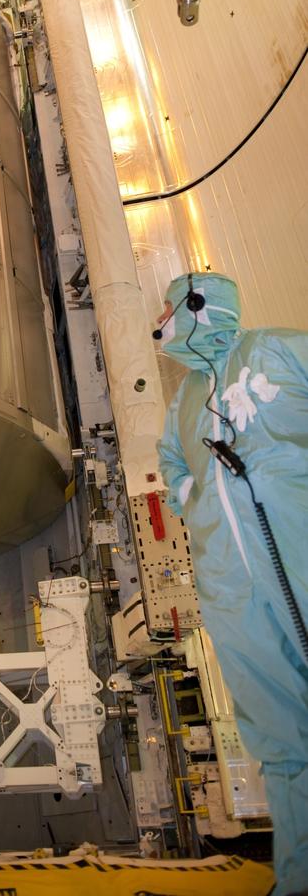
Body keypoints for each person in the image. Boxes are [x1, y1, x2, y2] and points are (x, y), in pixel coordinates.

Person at [156, 271, 308, 895]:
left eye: (167, 309)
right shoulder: (185, 401)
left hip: (297, 550)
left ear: (198, 305)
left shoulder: (277, 347)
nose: (161, 322)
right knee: (281, 737)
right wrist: (190, 491)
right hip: (233, 589)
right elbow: (170, 458)